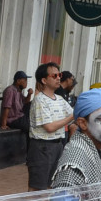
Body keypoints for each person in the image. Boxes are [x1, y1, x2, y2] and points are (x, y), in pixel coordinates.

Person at [28, 62, 74, 192]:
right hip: (42, 148)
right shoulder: (39, 100)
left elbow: (73, 115)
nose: (59, 78)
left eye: (59, 75)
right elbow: (49, 127)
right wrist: (72, 117)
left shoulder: (59, 98)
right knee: (36, 189)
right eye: (54, 75)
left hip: (57, 146)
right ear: (44, 80)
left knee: (49, 187)